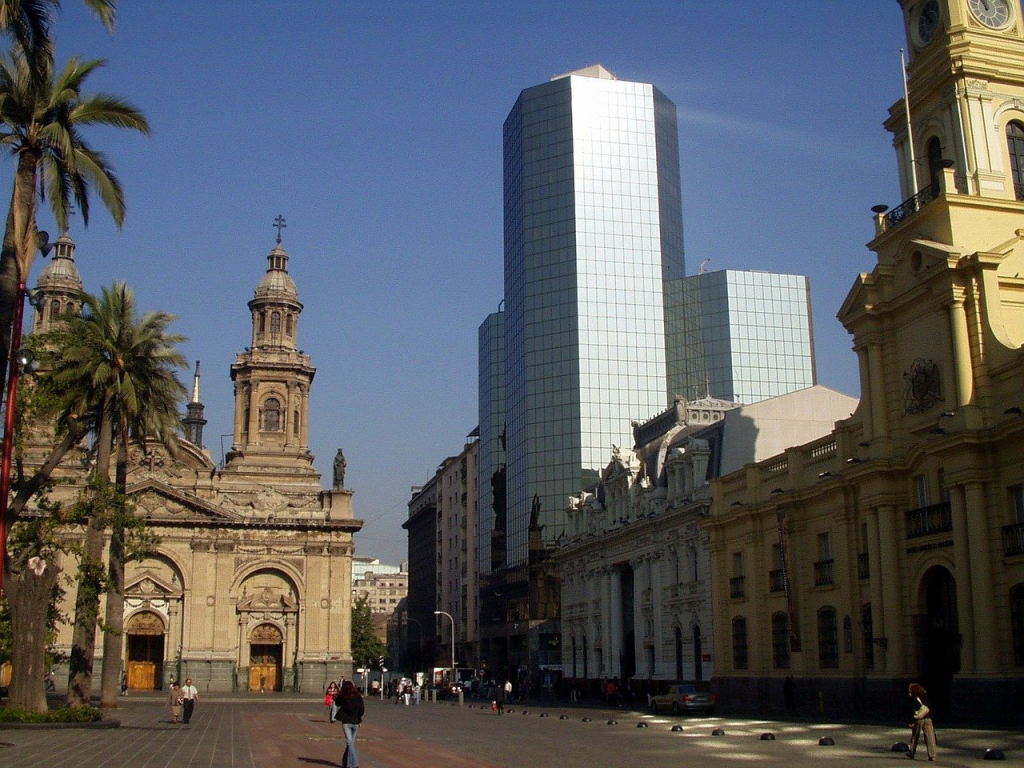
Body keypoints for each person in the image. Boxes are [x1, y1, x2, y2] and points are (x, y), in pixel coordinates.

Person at [335, 680, 364, 768]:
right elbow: (362, 709)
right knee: (350, 743)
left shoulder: (343, 696)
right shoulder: (358, 696)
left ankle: (355, 764)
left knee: (350, 743)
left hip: (346, 722)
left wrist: (337, 697)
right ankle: (346, 763)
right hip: (356, 722)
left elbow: (337, 703)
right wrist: (359, 718)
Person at [907, 682, 937, 761]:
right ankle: (932, 755)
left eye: (910, 690)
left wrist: (912, 721)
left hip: (919, 719)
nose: (909, 692)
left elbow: (915, 712)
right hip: (928, 718)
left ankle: (912, 752)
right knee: (930, 737)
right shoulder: (925, 697)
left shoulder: (914, 699)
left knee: (915, 736)